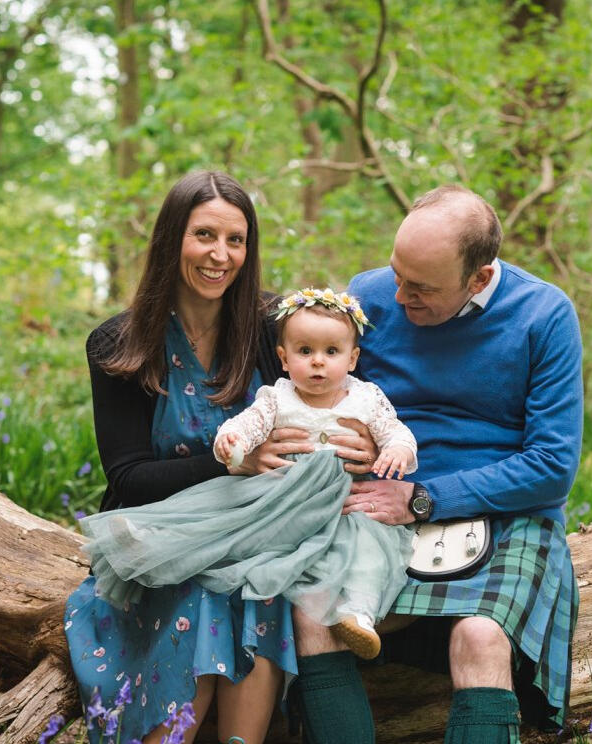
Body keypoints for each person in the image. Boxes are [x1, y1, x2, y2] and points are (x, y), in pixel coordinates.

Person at [63, 172, 377, 744]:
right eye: (204, 235)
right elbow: (128, 478)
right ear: (170, 240)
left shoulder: (273, 326)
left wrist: (370, 442)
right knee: (208, 592)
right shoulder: (121, 343)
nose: (221, 255)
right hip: (163, 537)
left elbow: (348, 386)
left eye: (236, 240)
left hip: (264, 532)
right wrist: (233, 463)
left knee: (258, 585)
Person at [290, 184, 584, 744]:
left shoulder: (544, 314)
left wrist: (426, 498)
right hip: (377, 504)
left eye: (421, 287)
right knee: (315, 613)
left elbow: (551, 465)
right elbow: (328, 391)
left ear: (478, 277)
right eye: (397, 273)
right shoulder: (369, 295)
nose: (398, 296)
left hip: (502, 510)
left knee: (479, 637)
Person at [80, 289, 418, 663]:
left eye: (331, 353)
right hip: (280, 494)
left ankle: (357, 614)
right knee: (229, 522)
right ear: (284, 359)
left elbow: (394, 430)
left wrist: (395, 449)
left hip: (342, 501)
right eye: (305, 352)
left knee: (364, 549)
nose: (318, 363)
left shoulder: (366, 398)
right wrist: (232, 441)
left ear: (353, 358)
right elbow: (248, 424)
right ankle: (153, 539)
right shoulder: (277, 396)